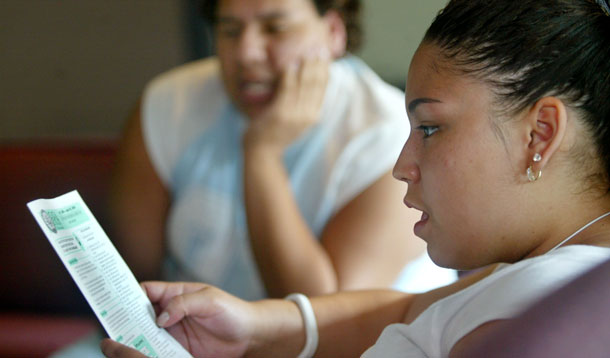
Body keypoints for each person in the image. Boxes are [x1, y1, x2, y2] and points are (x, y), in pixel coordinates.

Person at [99, 0, 610, 356]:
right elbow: (406, 311)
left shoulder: (544, 315)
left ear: (540, 133)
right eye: (229, 30)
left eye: (430, 128)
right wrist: (253, 331)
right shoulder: (540, 273)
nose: (402, 164)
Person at [105, 0, 455, 304]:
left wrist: (262, 153)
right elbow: (130, 281)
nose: (247, 52)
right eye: (229, 30)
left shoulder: (389, 133)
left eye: (276, 28)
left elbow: (322, 318)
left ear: (333, 31)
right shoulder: (168, 104)